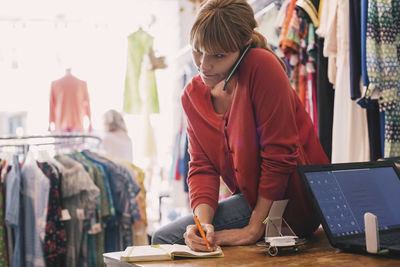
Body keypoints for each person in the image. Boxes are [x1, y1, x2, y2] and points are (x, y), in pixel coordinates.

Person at [152, 0, 329, 252]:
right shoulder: (192, 95)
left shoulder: (261, 65)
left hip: (295, 202)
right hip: (253, 200)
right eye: (198, 50)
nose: (204, 65)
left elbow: (279, 157)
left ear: (243, 46)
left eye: (219, 55)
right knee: (185, 239)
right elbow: (202, 168)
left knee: (163, 240)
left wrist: (253, 229)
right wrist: (204, 226)